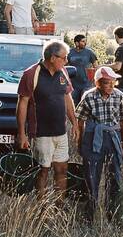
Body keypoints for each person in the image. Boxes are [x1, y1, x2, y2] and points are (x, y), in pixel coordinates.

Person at [16, 41, 79, 203]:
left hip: (61, 132)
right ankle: (41, 207)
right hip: (41, 134)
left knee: (62, 169)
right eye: (63, 58)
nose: (66, 62)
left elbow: (67, 98)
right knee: (43, 170)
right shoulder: (31, 74)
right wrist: (22, 134)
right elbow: (22, 104)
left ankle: (59, 206)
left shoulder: (62, 72)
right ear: (52, 58)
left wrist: (75, 123)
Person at [75, 66, 123, 221]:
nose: (111, 86)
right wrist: (80, 143)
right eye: (107, 83)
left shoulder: (120, 96)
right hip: (93, 137)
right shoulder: (89, 96)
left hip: (113, 137)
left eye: (113, 82)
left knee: (115, 176)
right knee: (91, 175)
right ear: (98, 83)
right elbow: (80, 120)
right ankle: (90, 214)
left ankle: (113, 214)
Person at [68, 34, 98, 105]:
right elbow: (64, 66)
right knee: (73, 105)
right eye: (83, 41)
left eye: (85, 41)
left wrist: (95, 81)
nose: (85, 43)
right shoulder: (69, 53)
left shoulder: (89, 52)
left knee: (85, 104)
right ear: (76, 43)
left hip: (86, 84)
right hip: (73, 85)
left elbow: (96, 67)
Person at [105, 26, 123, 96]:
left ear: (116, 36)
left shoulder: (120, 49)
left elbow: (117, 67)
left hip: (121, 83)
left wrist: (104, 66)